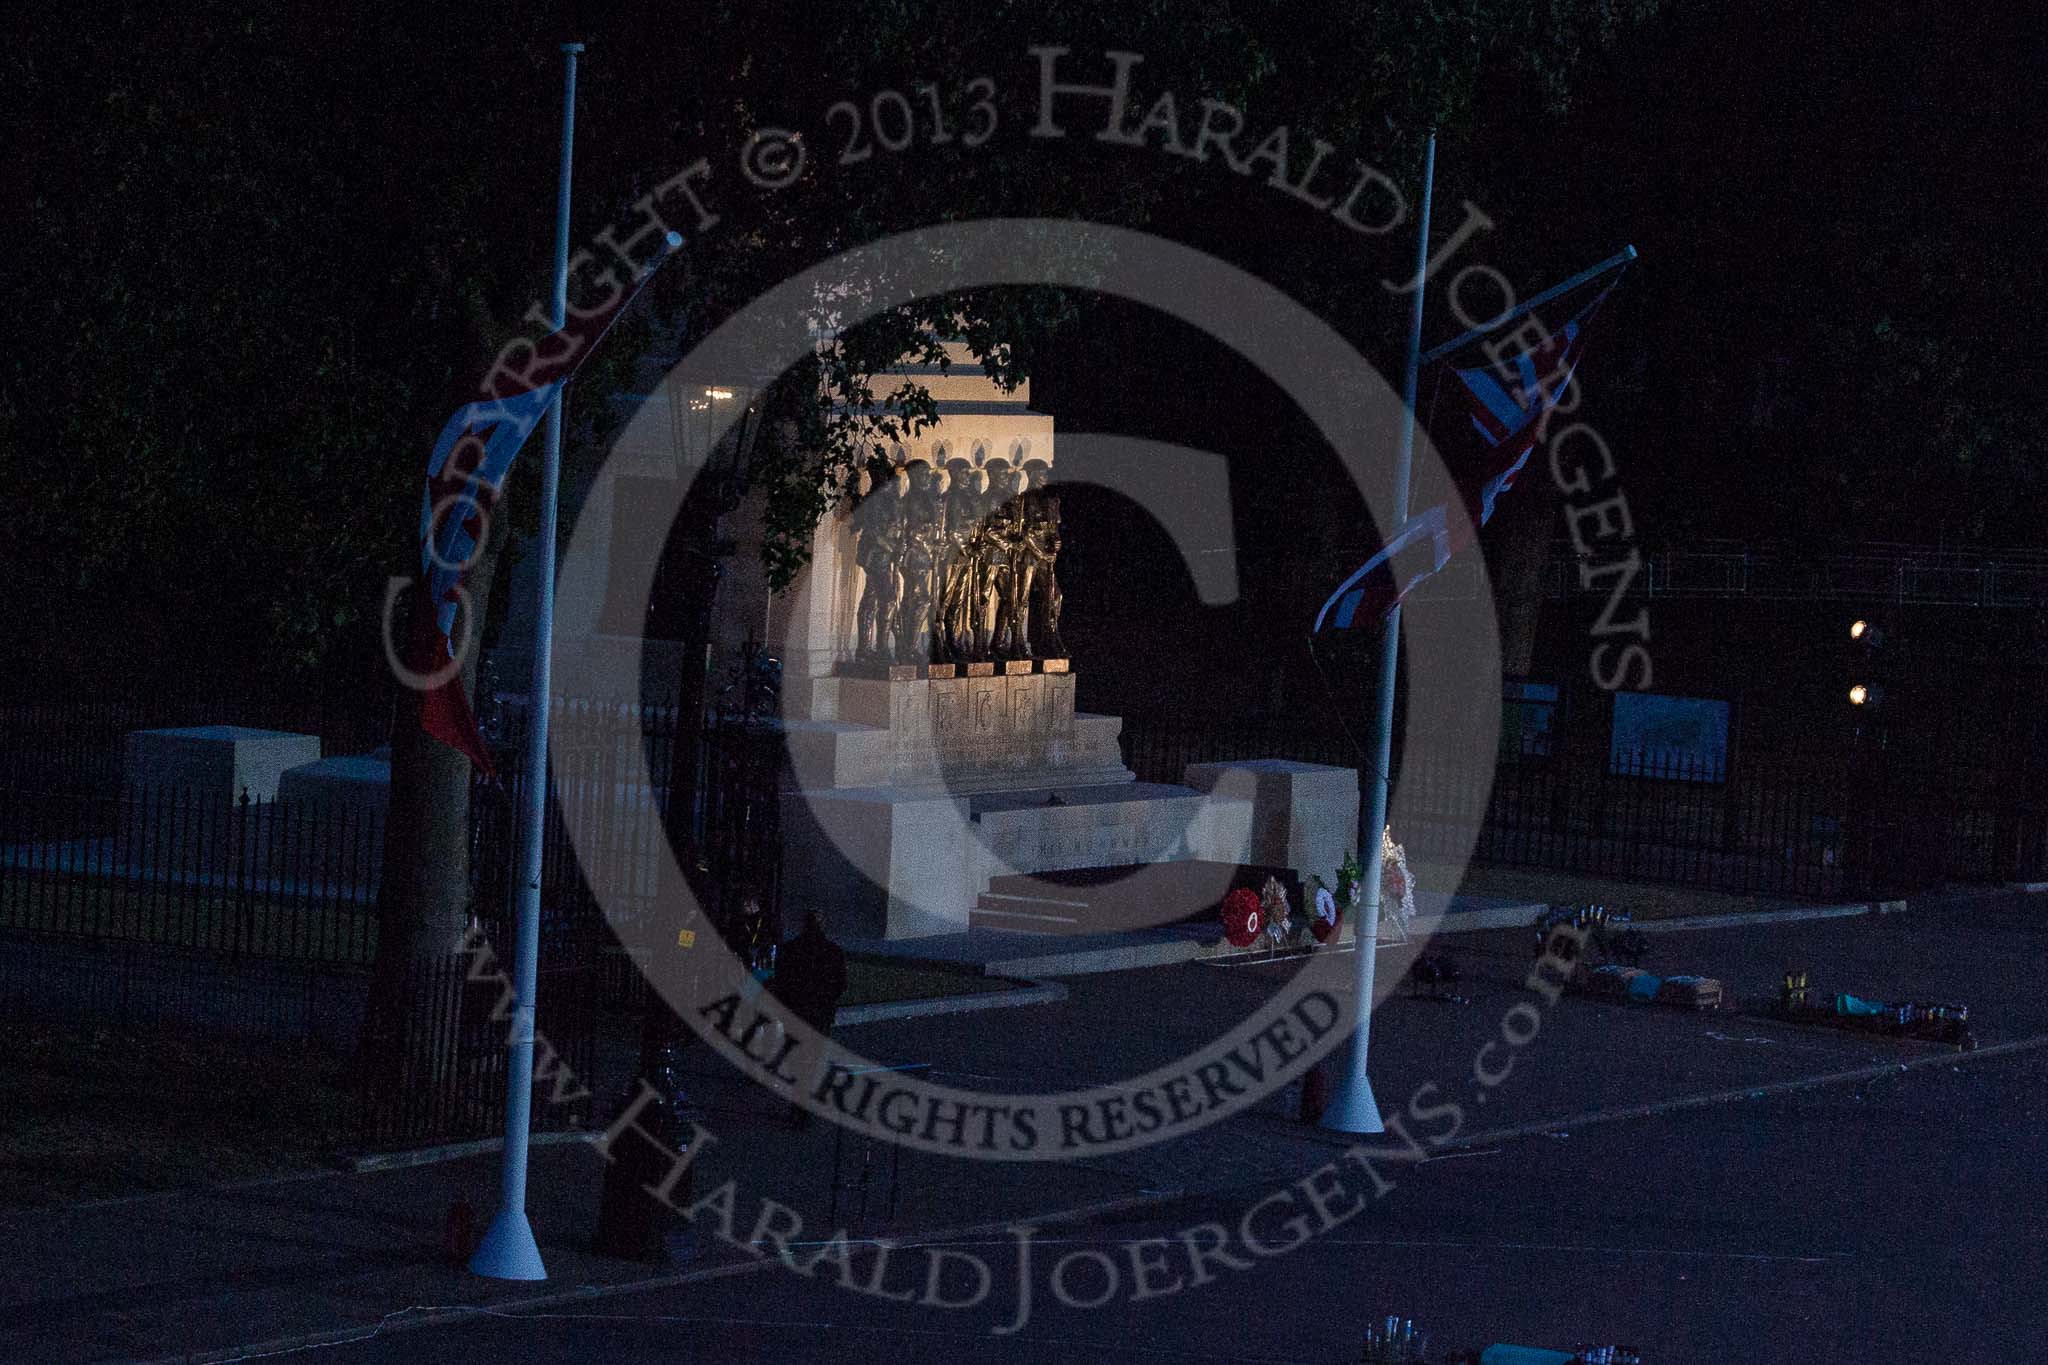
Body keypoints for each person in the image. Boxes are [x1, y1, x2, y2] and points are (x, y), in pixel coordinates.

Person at [772, 910, 848, 1127]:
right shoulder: (833, 952)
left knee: (797, 1060)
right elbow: (841, 984)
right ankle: (805, 1107)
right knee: (813, 1062)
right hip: (820, 1014)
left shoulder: (790, 949)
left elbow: (781, 981)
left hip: (796, 1013)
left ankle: (798, 1106)